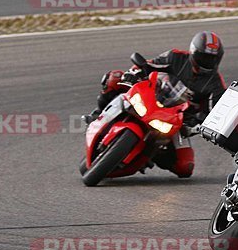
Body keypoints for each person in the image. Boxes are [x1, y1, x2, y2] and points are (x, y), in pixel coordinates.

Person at [83, 31, 227, 177]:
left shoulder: (216, 85)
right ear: (193, 52)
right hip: (152, 96)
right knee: (115, 78)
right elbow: (149, 65)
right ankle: (97, 114)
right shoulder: (176, 57)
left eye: (212, 59)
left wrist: (196, 126)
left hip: (177, 121)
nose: (208, 62)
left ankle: (151, 155)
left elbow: (214, 113)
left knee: (185, 167)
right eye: (204, 57)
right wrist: (135, 72)